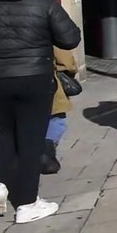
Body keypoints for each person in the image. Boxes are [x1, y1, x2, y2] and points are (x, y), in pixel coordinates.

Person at [0, 0, 82, 223]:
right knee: (31, 138)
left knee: (5, 131)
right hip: (34, 79)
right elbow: (70, 39)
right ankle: (28, 203)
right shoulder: (44, 4)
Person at [42, 47, 79, 175]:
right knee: (56, 118)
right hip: (43, 77)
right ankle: (47, 150)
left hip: (3, 79)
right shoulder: (42, 32)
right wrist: (69, 69)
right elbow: (64, 59)